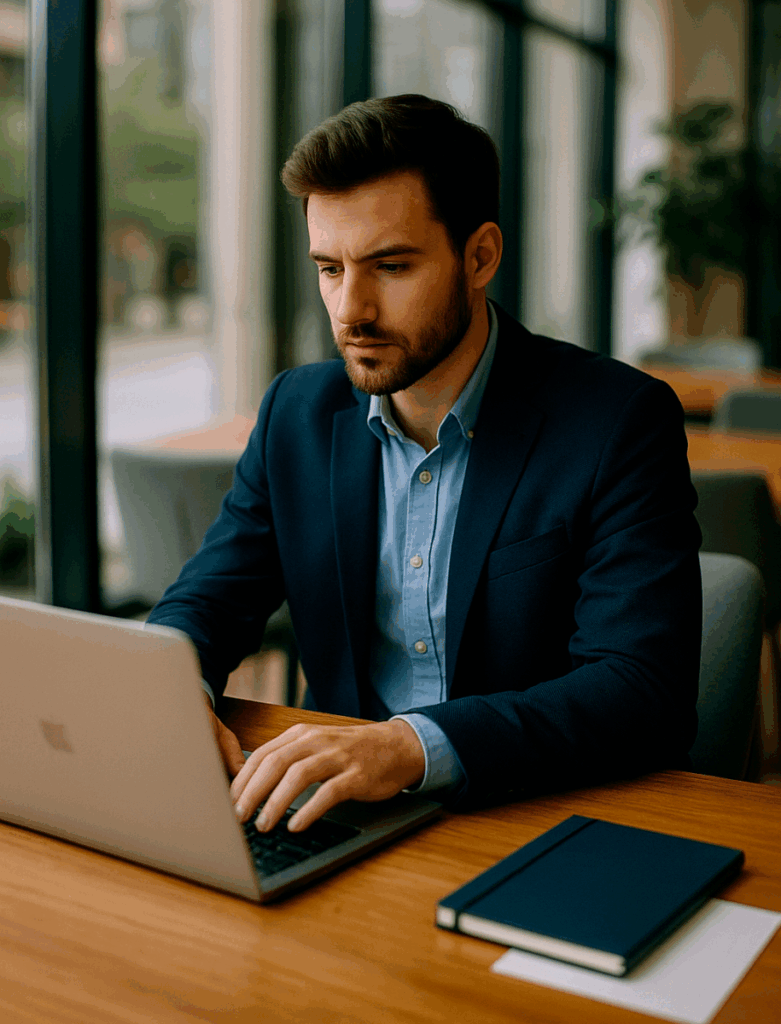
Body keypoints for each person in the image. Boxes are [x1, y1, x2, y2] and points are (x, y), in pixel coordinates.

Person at [147, 94, 702, 835]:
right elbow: (207, 600)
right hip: (339, 815)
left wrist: (408, 747)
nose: (351, 309)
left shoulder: (616, 421)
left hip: (529, 813)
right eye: (328, 268)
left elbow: (641, 690)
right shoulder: (296, 415)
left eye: (389, 266)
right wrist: (173, 683)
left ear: (479, 257)